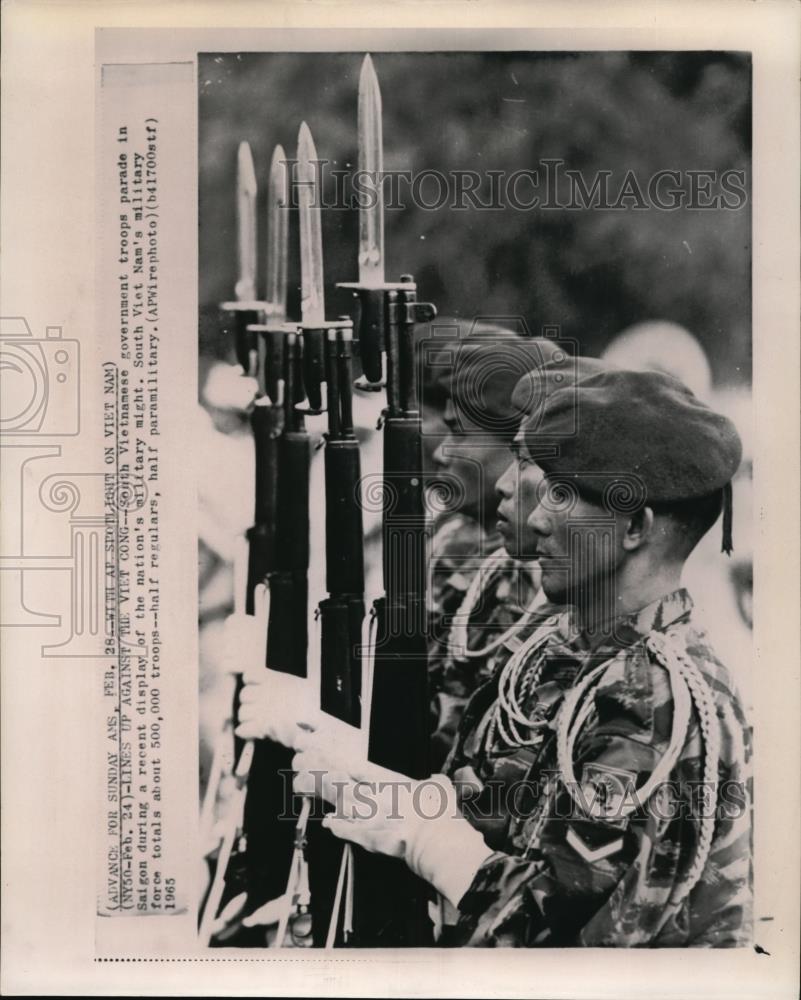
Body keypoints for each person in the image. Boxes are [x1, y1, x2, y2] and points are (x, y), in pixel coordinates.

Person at [293, 367, 752, 948]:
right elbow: (504, 815)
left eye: (563, 495)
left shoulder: (654, 696)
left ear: (635, 525)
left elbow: (559, 935)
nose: (536, 516)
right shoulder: (572, 650)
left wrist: (428, 840)